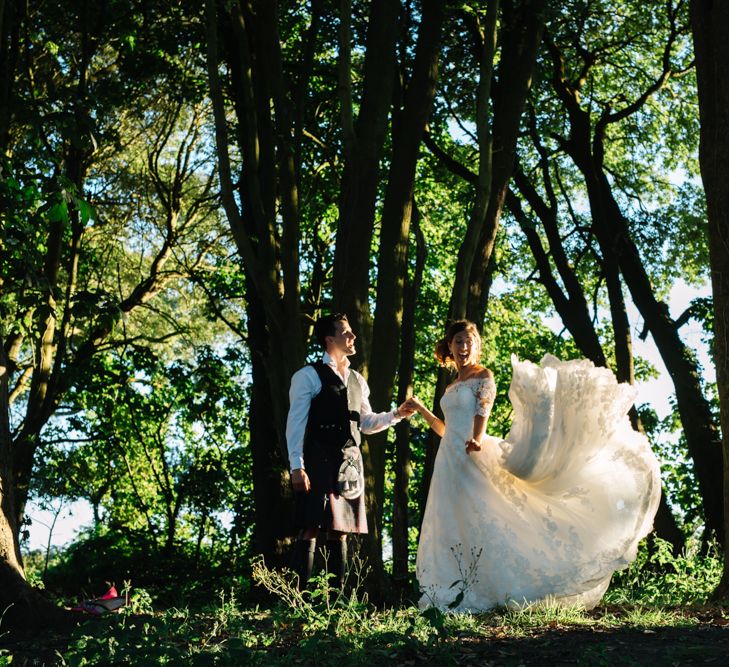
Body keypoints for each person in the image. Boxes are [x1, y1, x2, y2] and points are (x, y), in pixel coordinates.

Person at [406, 320, 661, 611]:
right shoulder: (452, 385)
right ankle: (456, 590)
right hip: (448, 459)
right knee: (453, 523)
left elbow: (482, 410)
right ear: (449, 346)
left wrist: (477, 439)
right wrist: (422, 409)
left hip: (472, 455)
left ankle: (497, 587)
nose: (463, 347)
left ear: (476, 346)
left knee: (487, 518)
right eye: (458, 342)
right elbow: (445, 429)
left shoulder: (482, 375)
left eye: (468, 341)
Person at [287, 313, 414, 589]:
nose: (353, 337)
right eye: (346, 333)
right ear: (329, 339)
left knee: (341, 529)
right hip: (317, 457)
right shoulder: (308, 376)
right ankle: (296, 601)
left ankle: (335, 603)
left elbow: (365, 423)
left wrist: (396, 414)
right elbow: (295, 425)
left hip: (349, 463)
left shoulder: (357, 379)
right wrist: (297, 467)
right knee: (310, 525)